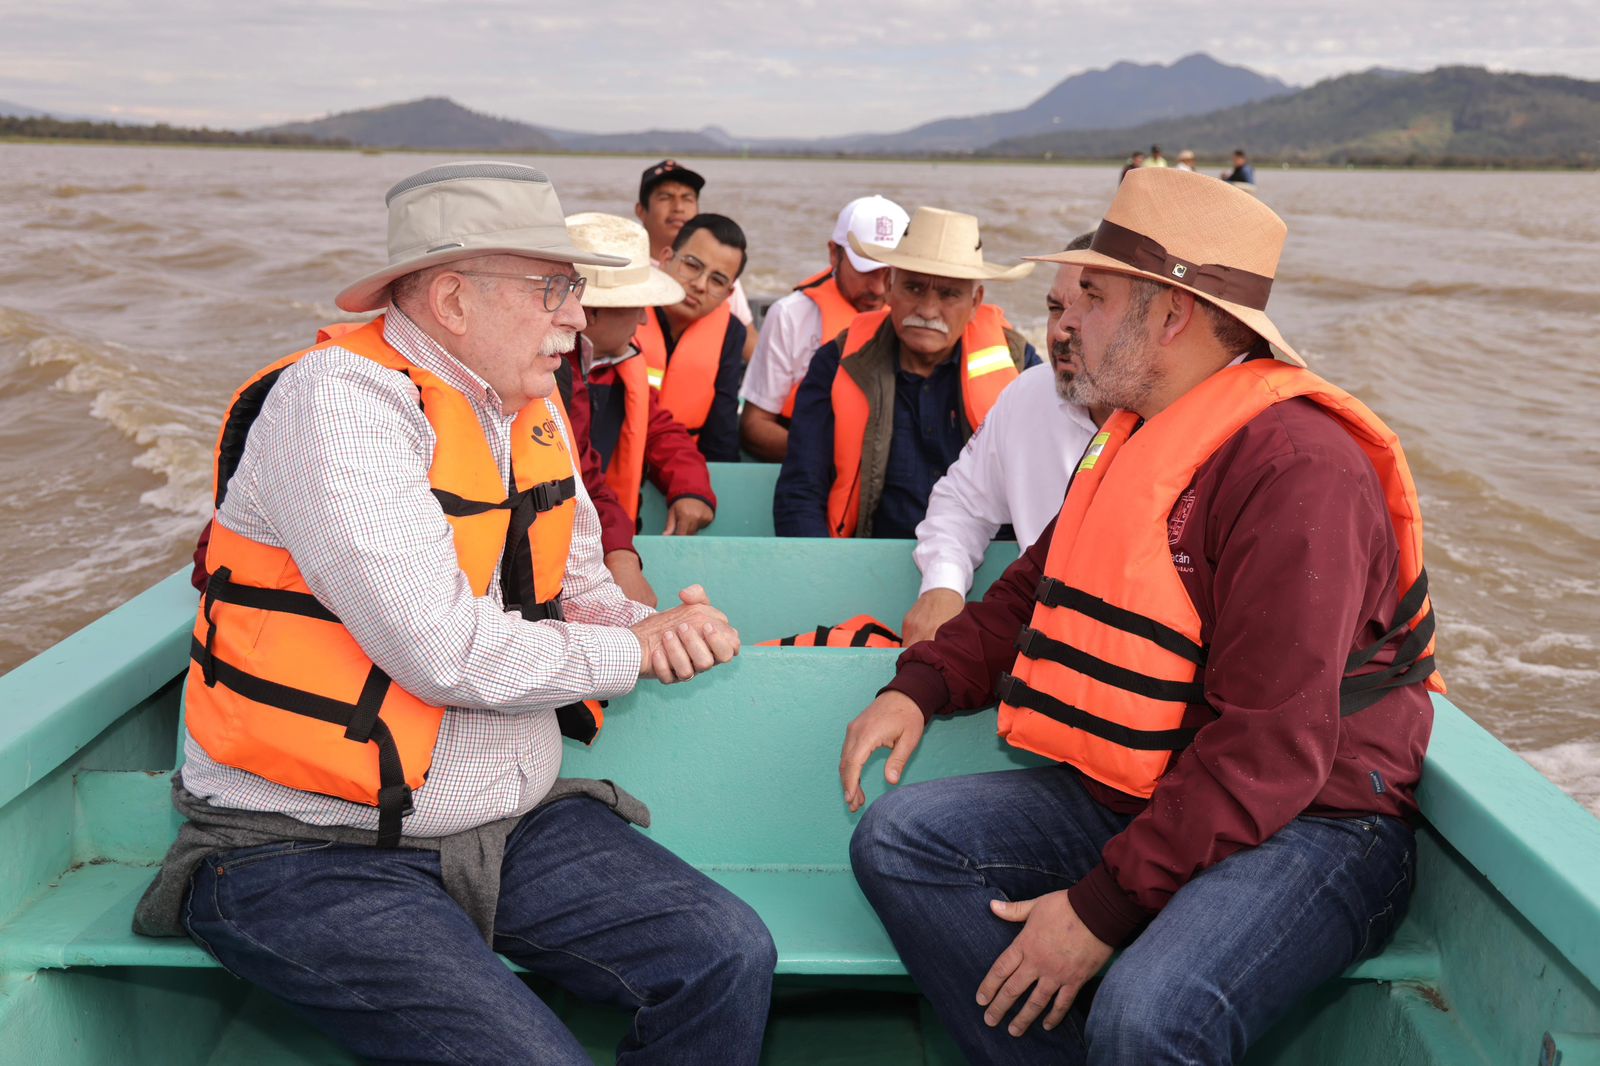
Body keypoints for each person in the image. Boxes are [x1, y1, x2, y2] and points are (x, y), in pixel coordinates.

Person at [137, 162, 774, 1065]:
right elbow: (444, 654)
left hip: (504, 824)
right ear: (453, 299)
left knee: (727, 955)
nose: (579, 318)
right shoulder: (337, 406)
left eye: (579, 291)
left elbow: (581, 581)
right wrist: (629, 655)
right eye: (556, 288)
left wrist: (653, 624)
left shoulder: (530, 404)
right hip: (305, 848)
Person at [840, 168, 1443, 1064]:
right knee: (901, 841)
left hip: (1321, 820)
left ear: (1169, 314)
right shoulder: (1134, 432)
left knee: (1148, 1012)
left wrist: (1097, 912)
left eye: (1094, 293)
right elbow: (1031, 591)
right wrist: (922, 686)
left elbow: (1269, 750)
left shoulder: (1296, 468)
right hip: (1174, 790)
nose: (1066, 318)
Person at [774, 206, 1038, 539]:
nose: (928, 310)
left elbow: (1051, 487)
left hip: (988, 568)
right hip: (865, 563)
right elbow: (802, 489)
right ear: (888, 286)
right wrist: (818, 575)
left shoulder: (1021, 365)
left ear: (975, 302)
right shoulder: (836, 362)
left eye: (949, 294)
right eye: (913, 288)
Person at [899, 232, 1102, 646]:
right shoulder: (1030, 394)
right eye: (1054, 308)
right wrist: (943, 585)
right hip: (1040, 650)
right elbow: (962, 501)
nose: (1062, 329)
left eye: (1089, 307)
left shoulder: (1193, 422)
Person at [565, 211, 718, 540]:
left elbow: (660, 428)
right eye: (637, 305)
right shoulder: (550, 372)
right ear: (590, 311)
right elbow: (579, 473)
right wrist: (620, 549)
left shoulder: (618, 360)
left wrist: (691, 487)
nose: (644, 320)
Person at [739, 195, 910, 461]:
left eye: (890, 273)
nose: (878, 289)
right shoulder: (789, 316)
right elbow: (753, 428)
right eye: (866, 270)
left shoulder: (919, 323)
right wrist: (835, 456)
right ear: (834, 253)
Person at [638, 213, 749, 463]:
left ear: (728, 294)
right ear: (666, 259)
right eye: (692, 265)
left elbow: (721, 434)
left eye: (717, 280)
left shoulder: (731, 333)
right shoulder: (623, 309)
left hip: (684, 463)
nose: (700, 284)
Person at [634, 159, 759, 359]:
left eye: (688, 198)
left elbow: (749, 338)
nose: (678, 207)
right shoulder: (625, 266)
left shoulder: (719, 274)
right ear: (641, 210)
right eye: (666, 197)